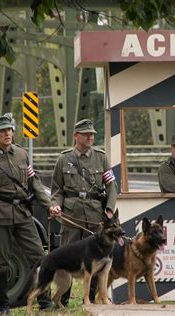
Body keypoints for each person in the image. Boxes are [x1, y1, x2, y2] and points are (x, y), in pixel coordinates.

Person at [0, 113, 53, 314]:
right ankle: (4, 306)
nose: (7, 133)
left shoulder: (22, 154)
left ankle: (45, 301)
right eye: (2, 131)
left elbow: (34, 184)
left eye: (9, 130)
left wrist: (49, 205)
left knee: (38, 256)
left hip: (23, 214)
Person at [49, 118, 117, 305]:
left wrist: (109, 211)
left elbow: (112, 186)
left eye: (92, 134)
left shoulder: (101, 157)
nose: (90, 137)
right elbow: (56, 189)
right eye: (86, 134)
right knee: (67, 257)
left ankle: (91, 299)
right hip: (71, 217)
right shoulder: (64, 159)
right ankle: (63, 300)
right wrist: (55, 204)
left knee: (97, 258)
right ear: (76, 136)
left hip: (95, 216)